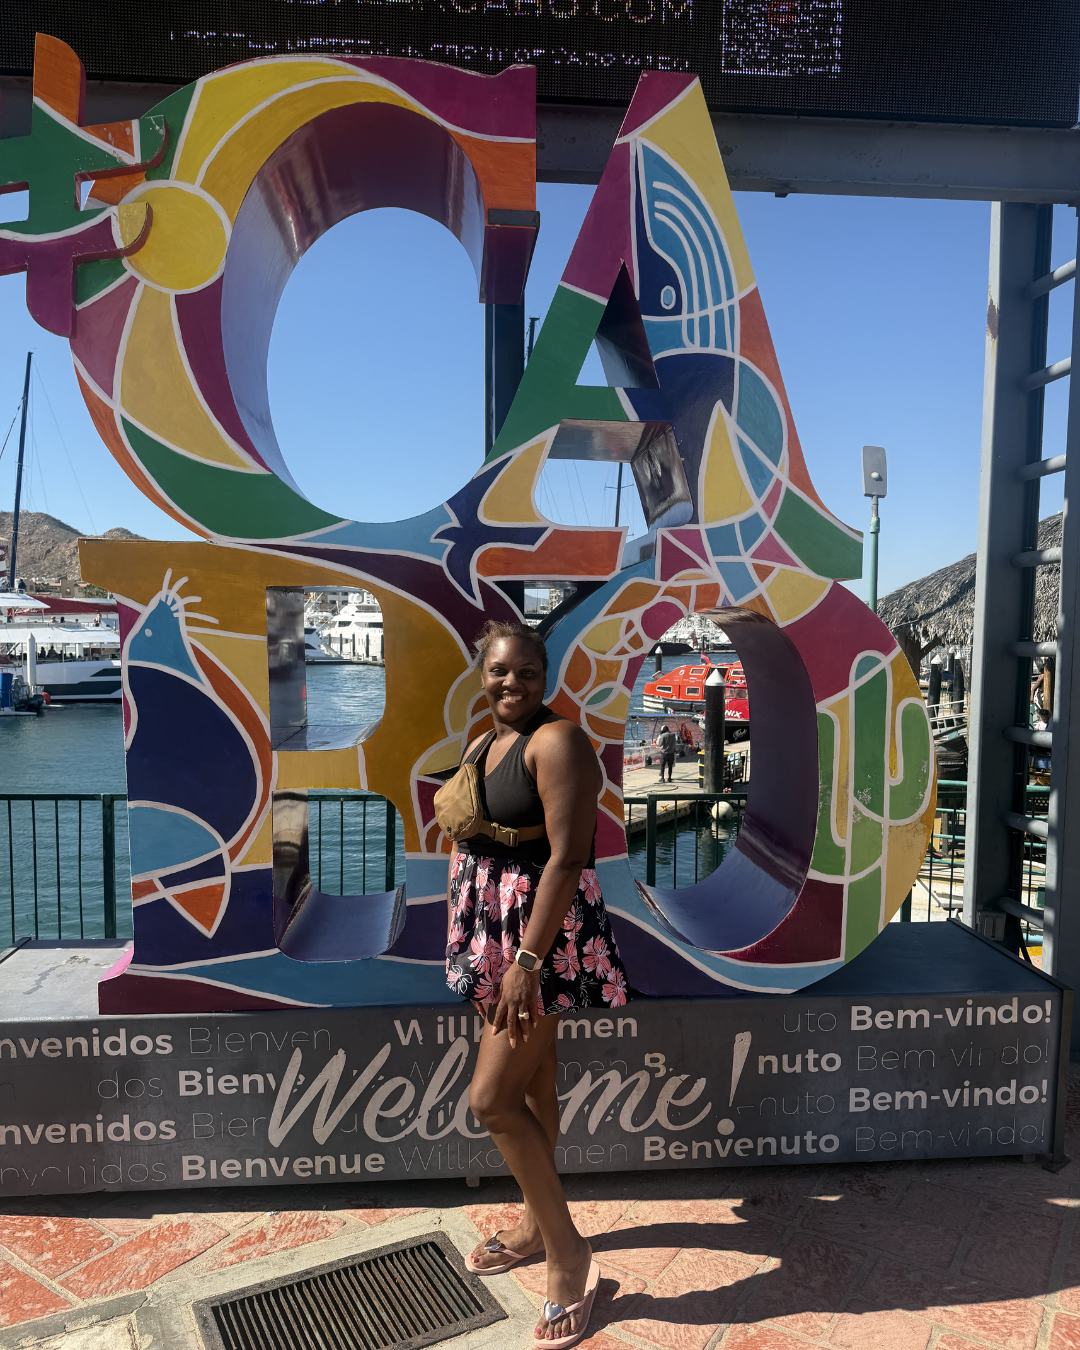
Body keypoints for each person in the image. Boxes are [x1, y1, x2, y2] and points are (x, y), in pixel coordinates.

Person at [443, 619, 629, 1348]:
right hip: (494, 932)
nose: (510, 684)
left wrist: (524, 963)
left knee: (489, 1099)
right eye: (498, 672)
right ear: (482, 674)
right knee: (531, 1085)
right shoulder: (487, 741)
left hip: (537, 942)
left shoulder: (558, 743)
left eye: (524, 673)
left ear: (545, 677)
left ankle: (568, 1255)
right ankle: (530, 1226)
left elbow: (566, 858)